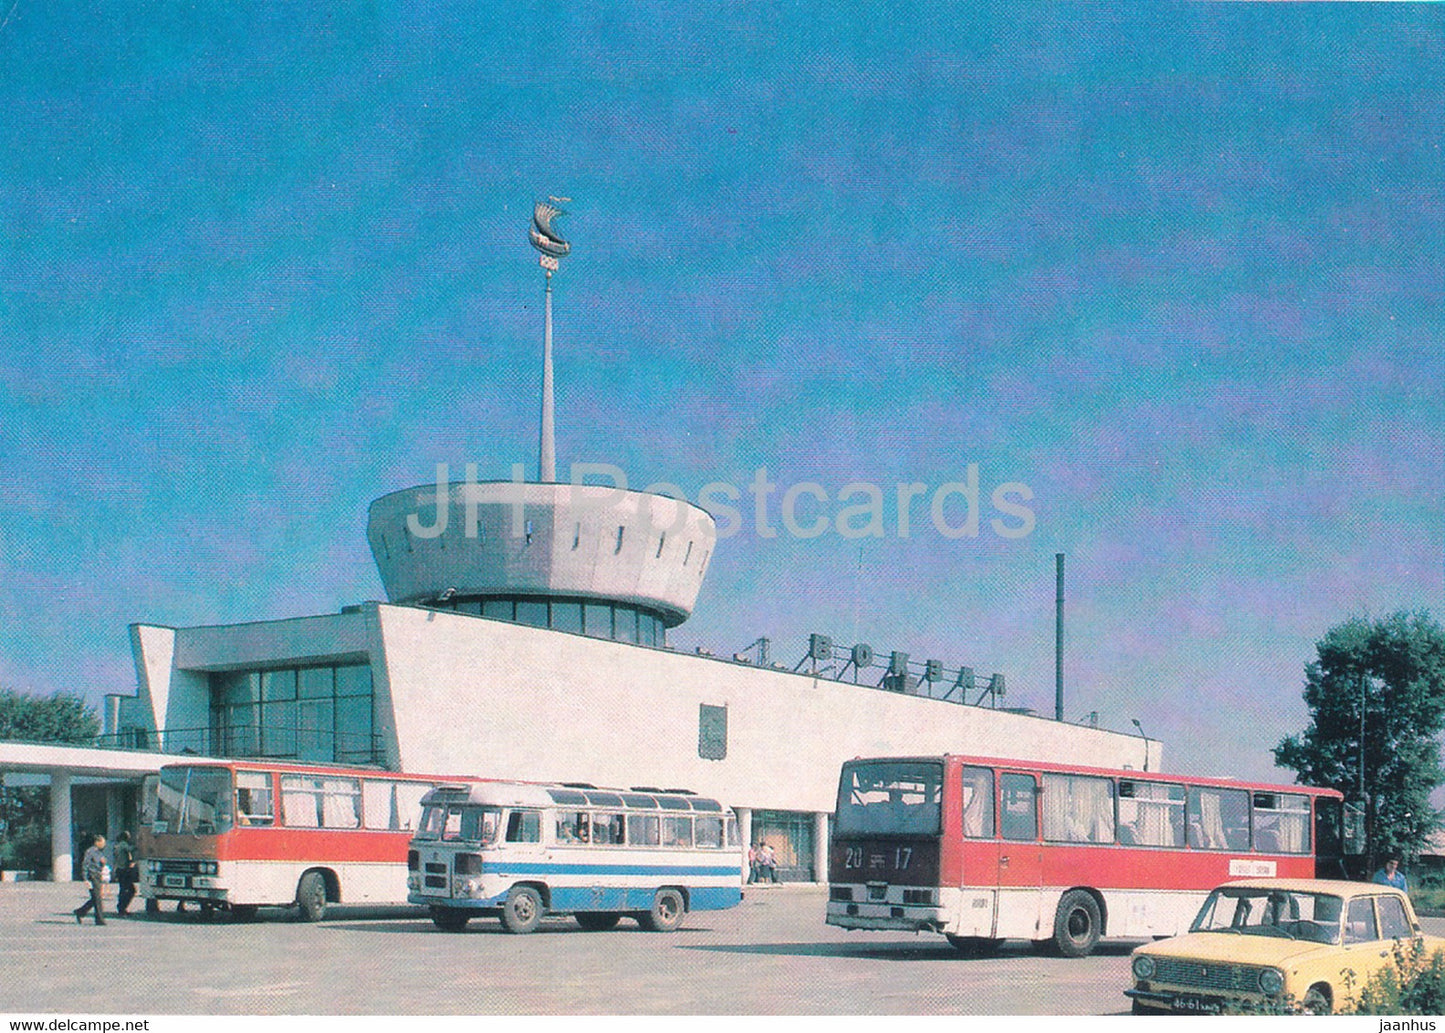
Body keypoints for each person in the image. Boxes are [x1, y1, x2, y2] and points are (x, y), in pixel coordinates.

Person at [73, 834, 109, 926]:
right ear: (97, 842)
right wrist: (85, 878)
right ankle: (99, 919)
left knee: (95, 898)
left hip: (98, 875)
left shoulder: (100, 852)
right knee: (97, 898)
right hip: (92, 876)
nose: (104, 844)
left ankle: (80, 912)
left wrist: (103, 863)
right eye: (102, 842)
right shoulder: (90, 851)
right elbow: (85, 864)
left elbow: (99, 864)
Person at [112, 831, 138, 916]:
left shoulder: (117, 845)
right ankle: (122, 907)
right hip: (124, 870)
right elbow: (130, 849)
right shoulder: (123, 844)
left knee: (123, 889)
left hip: (119, 869)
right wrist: (139, 844)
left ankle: (122, 907)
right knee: (130, 890)